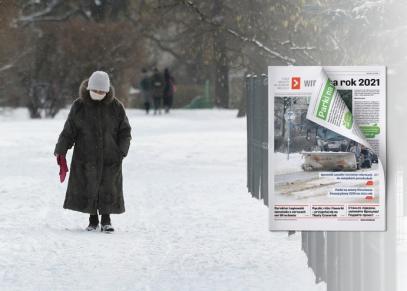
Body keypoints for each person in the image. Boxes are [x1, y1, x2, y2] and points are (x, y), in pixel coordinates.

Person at [54, 71, 132, 232]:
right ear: (89, 89)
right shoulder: (79, 106)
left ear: (107, 91)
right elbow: (69, 131)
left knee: (108, 187)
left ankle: (106, 220)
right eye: (95, 91)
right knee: (88, 186)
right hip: (85, 156)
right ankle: (93, 219)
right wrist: (61, 149)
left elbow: (125, 131)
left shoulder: (116, 107)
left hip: (110, 156)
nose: (98, 94)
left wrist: (121, 151)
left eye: (102, 91)